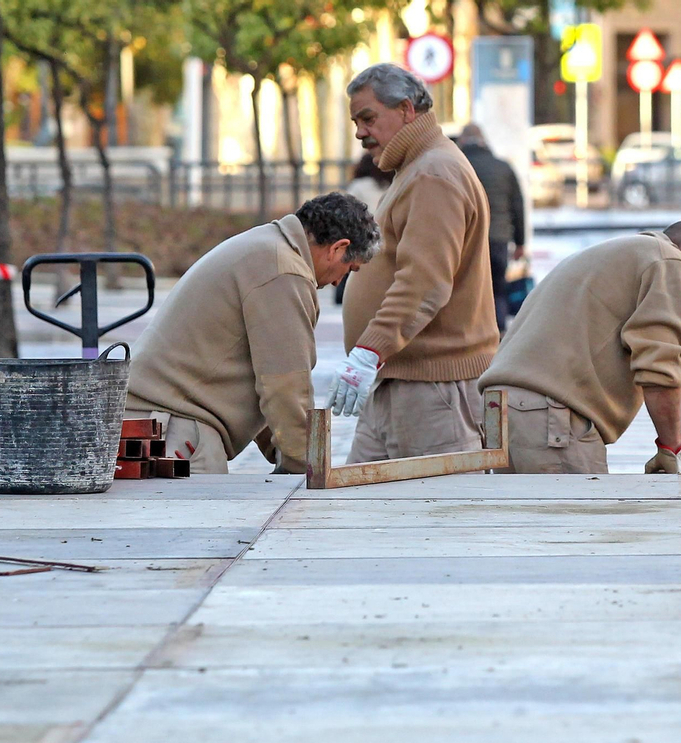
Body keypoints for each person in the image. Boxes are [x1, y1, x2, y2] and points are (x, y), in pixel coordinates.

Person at [125, 192, 379, 473]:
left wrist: (285, 451)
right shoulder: (284, 272)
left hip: (157, 421)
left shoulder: (266, 247)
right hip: (175, 428)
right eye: (348, 268)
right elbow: (285, 387)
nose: (337, 282)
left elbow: (266, 380)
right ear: (337, 248)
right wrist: (307, 471)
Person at [334, 63, 499, 463]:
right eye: (356, 121)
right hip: (402, 378)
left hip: (432, 389)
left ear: (407, 110)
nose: (359, 132)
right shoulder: (417, 167)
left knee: (436, 519)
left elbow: (424, 282)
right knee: (362, 515)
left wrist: (369, 350)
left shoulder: (433, 172)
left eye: (368, 118)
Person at [477, 220, 681, 474]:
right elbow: (661, 369)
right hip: (550, 416)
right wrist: (671, 449)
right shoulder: (671, 263)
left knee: (522, 514)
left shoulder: (618, 253)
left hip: (499, 408)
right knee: (581, 513)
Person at [456, 123, 527, 332]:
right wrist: (520, 242)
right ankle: (498, 334)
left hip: (465, 240)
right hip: (498, 238)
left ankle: (472, 336)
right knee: (498, 290)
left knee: (467, 291)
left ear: (462, 142)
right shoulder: (503, 167)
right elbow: (517, 206)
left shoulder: (457, 166)